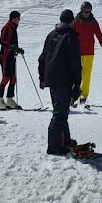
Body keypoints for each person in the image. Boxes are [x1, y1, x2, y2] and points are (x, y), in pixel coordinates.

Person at [38, 9, 82, 155]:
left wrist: (42, 78)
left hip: (51, 78)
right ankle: (53, 146)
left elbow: (42, 57)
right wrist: (77, 82)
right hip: (64, 79)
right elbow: (75, 61)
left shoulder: (51, 34)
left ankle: (65, 140)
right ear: (72, 21)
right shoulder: (71, 36)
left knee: (61, 110)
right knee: (59, 113)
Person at [71, 1, 102, 106]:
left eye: (89, 12)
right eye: (86, 12)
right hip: (77, 51)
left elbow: (98, 32)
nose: (88, 13)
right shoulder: (76, 21)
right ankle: (73, 95)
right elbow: (70, 33)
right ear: (82, 11)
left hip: (89, 52)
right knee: (75, 74)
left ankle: (83, 95)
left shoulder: (93, 21)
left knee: (86, 75)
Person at [0, 10, 24, 110]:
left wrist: (18, 49)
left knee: (13, 78)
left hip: (12, 56)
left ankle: (10, 99)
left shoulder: (14, 28)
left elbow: (13, 43)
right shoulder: (6, 27)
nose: (19, 20)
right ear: (13, 18)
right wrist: (11, 47)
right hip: (5, 56)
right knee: (6, 77)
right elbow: (2, 41)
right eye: (18, 18)